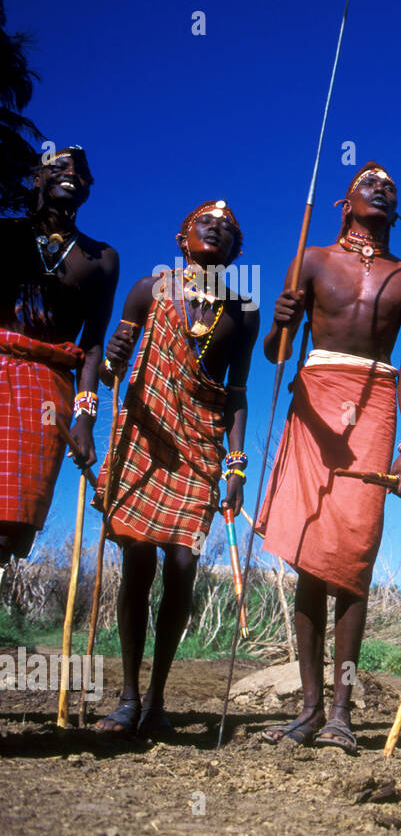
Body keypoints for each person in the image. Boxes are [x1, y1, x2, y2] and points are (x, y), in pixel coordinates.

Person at [257, 162, 401, 754]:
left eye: (391, 187)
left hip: (377, 405)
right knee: (310, 553)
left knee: (353, 554)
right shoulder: (311, 260)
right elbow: (276, 353)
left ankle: (341, 712)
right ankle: (308, 708)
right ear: (345, 202)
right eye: (369, 184)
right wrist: (279, 322)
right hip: (315, 398)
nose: (381, 189)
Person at [93, 200, 257, 737]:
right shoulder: (149, 290)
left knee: (183, 562)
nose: (217, 228)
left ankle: (159, 698)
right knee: (138, 555)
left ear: (236, 252)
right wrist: (115, 355)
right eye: (205, 223)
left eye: (228, 230)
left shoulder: (242, 309)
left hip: (201, 440)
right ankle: (127, 696)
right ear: (182, 237)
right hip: (146, 432)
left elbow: (236, 392)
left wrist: (235, 465)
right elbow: (113, 370)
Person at [0, 146, 116, 567]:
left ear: (88, 189)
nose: (73, 174)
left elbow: (93, 343)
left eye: (82, 172)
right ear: (36, 179)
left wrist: (85, 418)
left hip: (48, 391)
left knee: (14, 525)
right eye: (60, 166)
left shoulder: (101, 259)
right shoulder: (6, 236)